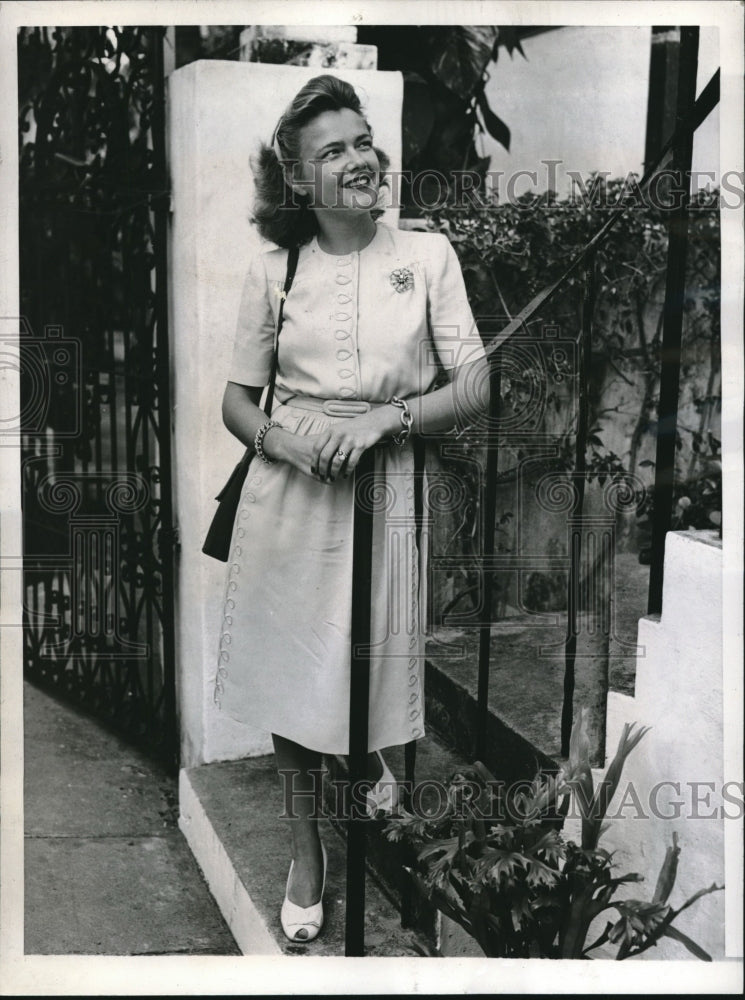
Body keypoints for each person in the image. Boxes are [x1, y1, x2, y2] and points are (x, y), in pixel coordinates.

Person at [213, 74, 489, 943]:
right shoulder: (274, 271)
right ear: (298, 180)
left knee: (372, 660)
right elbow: (236, 403)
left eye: (364, 140)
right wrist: (286, 441)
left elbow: (478, 384)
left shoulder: (427, 257)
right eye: (333, 150)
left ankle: (375, 781)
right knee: (290, 677)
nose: (360, 158)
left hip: (384, 490)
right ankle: (307, 850)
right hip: (290, 495)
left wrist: (385, 419)